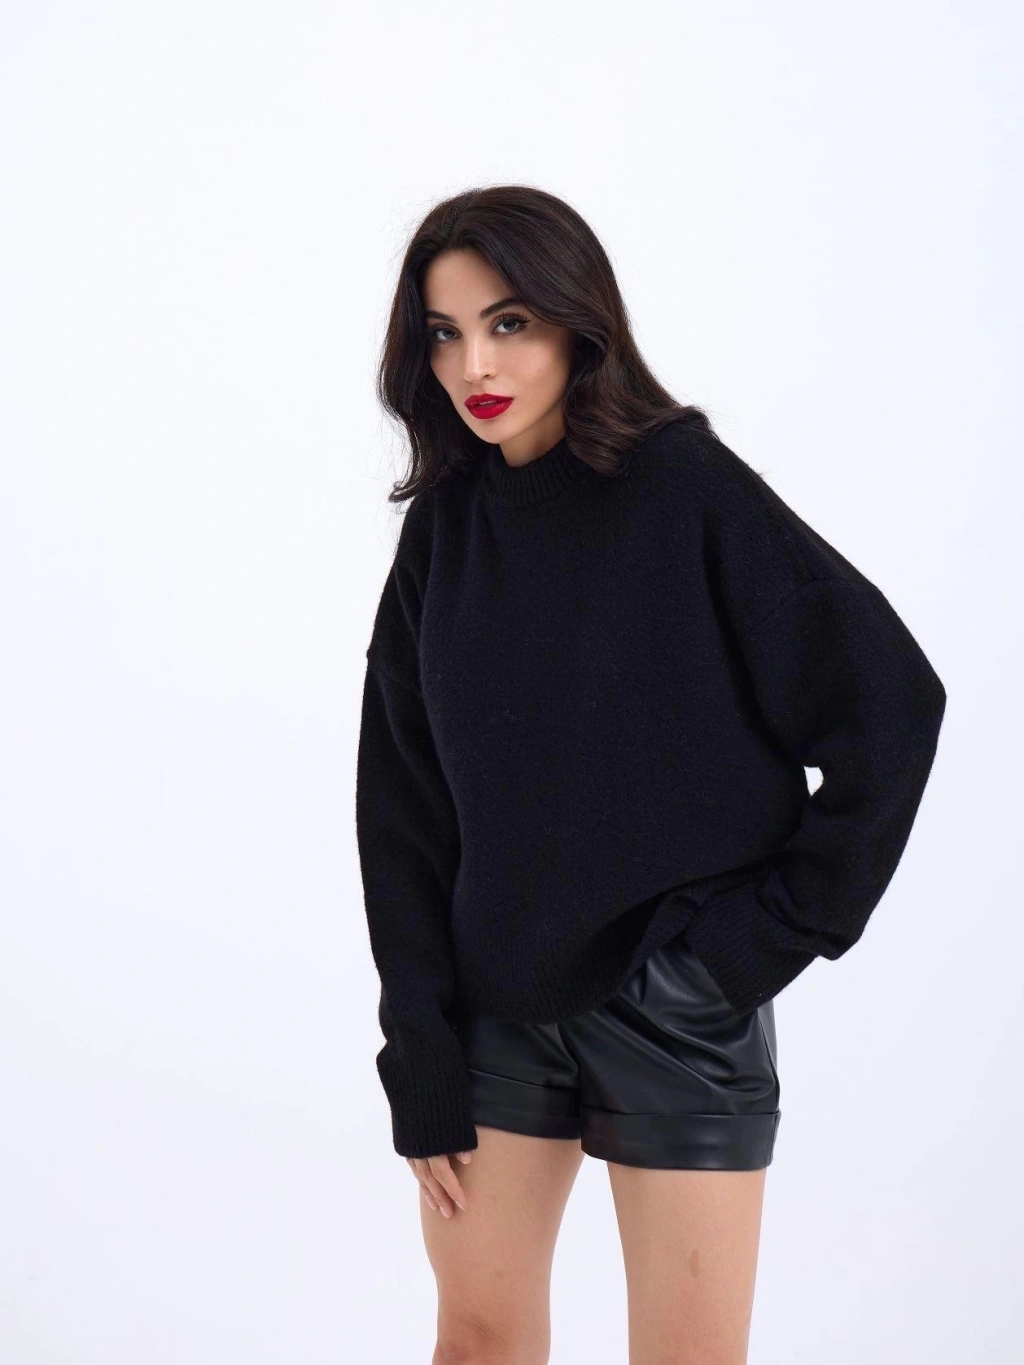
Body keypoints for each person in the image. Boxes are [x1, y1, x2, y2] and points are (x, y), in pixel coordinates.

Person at [354, 184, 946, 1364]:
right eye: (445, 332)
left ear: (580, 322)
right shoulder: (446, 527)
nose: (475, 363)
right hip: (493, 1012)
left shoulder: (680, 485)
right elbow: (401, 804)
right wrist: (416, 1038)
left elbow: (889, 703)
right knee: (476, 1341)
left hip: (677, 1010)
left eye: (510, 323)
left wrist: (751, 949)